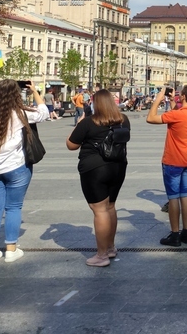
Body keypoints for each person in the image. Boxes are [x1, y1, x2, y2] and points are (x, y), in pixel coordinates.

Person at [0, 80, 49, 264]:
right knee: (13, 207)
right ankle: (11, 249)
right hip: (15, 167)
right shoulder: (21, 113)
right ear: (16, 95)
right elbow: (44, 113)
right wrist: (34, 90)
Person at [66, 90, 130, 267]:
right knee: (110, 206)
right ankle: (110, 247)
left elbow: (71, 144)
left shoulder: (88, 122)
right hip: (118, 166)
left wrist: (78, 125)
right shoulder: (123, 120)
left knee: (99, 210)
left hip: (94, 169)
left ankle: (101, 256)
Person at [147, 84, 187, 247]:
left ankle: (175, 234)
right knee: (184, 195)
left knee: (173, 198)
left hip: (172, 160)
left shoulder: (176, 115)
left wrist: (159, 98)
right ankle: (186, 232)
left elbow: (151, 118)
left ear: (183, 96)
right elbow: (177, 116)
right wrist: (172, 102)